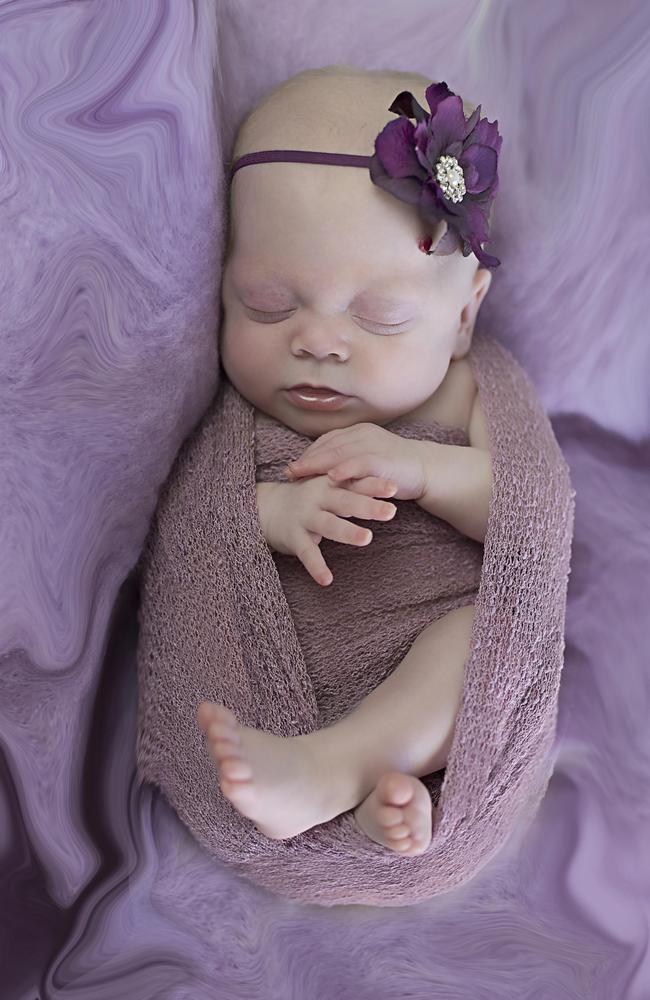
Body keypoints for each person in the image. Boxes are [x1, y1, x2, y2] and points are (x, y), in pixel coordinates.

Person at [197, 64, 500, 856]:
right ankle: (358, 791)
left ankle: (339, 770)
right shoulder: (231, 421)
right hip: (281, 682)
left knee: (485, 643)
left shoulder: (470, 394)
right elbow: (185, 522)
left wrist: (426, 471)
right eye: (268, 303)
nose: (319, 342)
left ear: (464, 316)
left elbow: (525, 516)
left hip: (427, 662)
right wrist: (265, 512)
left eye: (382, 316)